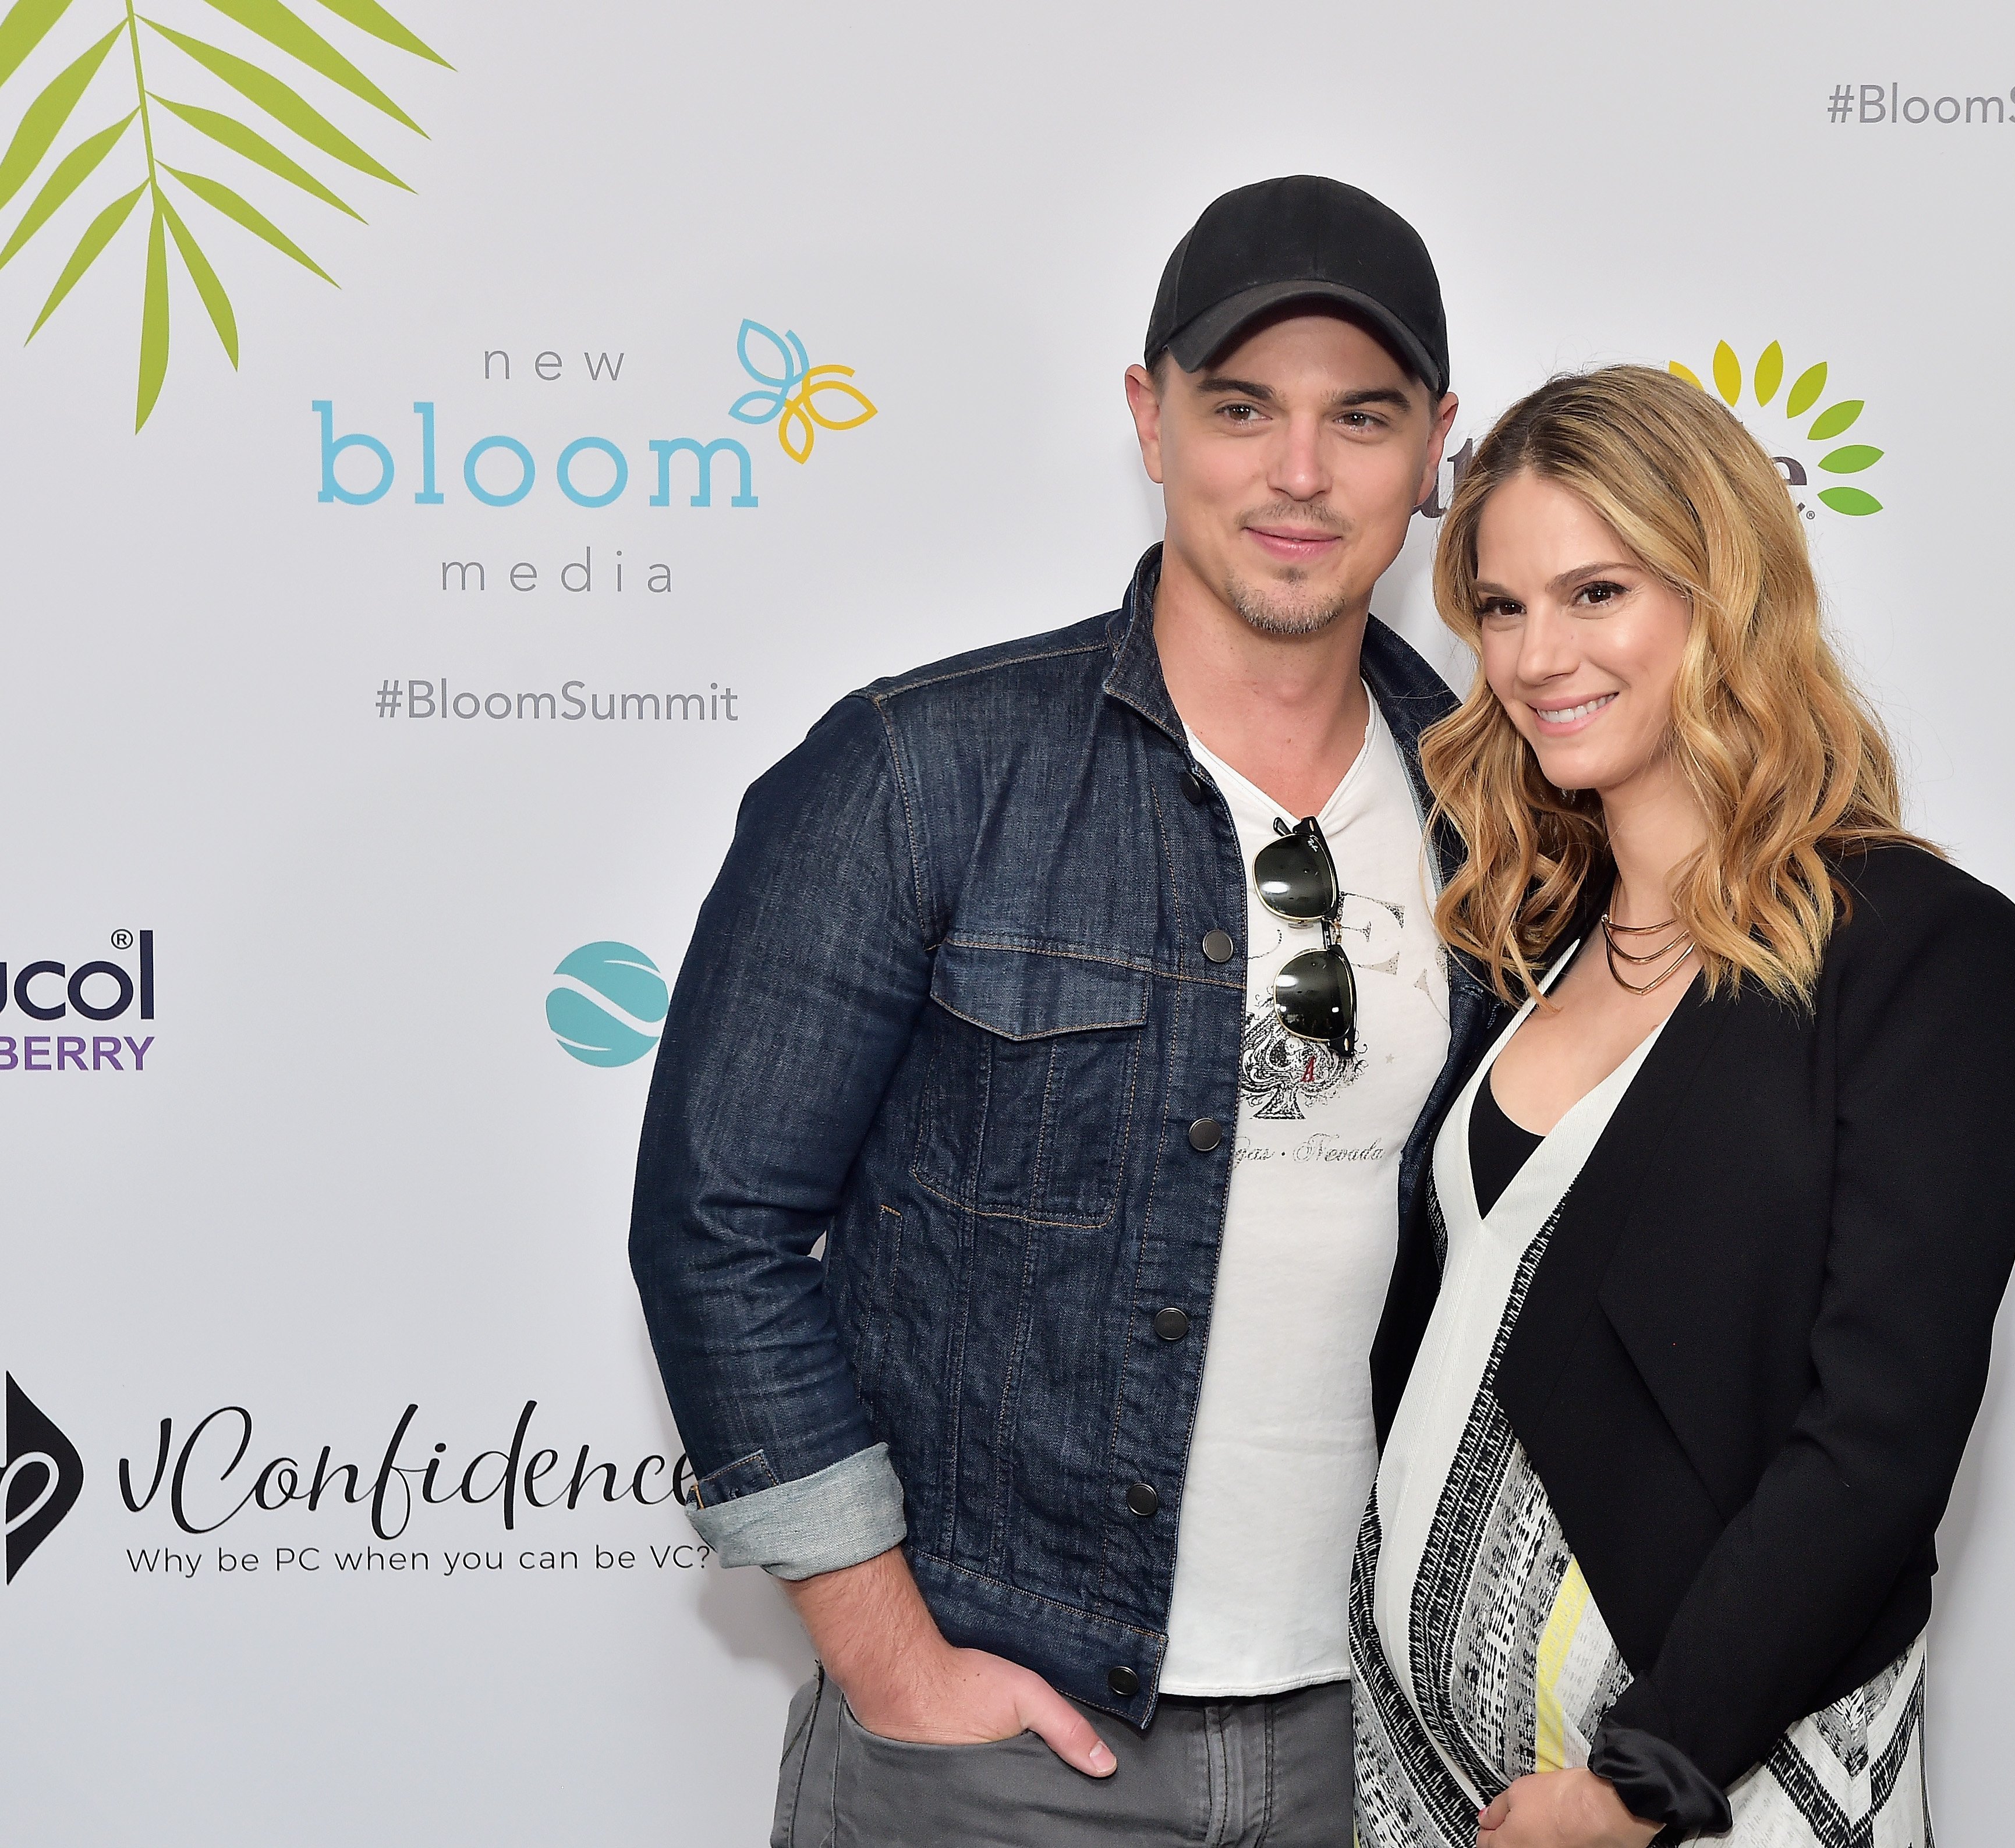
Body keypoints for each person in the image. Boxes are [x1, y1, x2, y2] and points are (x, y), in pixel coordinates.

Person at [629, 175, 1502, 1847]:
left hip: (1389, 1742)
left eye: (1361, 417)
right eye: (1241, 409)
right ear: (1148, 415)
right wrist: (891, 1663)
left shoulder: (1506, 807)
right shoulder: (918, 774)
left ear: (1435, 446)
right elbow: (717, 1224)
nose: (1301, 474)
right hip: (1004, 1742)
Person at [1351, 367, 2015, 1847]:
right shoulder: (1526, 940)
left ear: (1723, 593)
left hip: (1709, 1788)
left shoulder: (1916, 949)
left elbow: (1880, 1435)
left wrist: (1642, 1778)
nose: (1540, 656)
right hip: (1423, 1784)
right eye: (1502, 606)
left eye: (1597, 591)